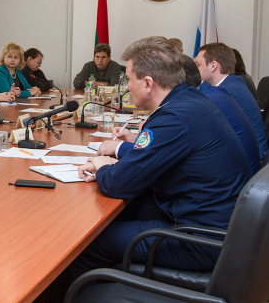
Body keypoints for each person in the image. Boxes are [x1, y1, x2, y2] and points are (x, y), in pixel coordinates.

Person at [48, 36, 251, 302]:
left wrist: (102, 165)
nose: (126, 86)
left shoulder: (173, 117)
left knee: (83, 244)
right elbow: (152, 159)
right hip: (203, 218)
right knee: (104, 219)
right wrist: (120, 163)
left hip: (197, 238)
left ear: (147, 83)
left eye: (129, 79)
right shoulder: (189, 100)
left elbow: (119, 183)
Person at [182, 55, 259, 173]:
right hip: (244, 169)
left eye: (198, 64)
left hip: (241, 173)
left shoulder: (203, 101)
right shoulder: (215, 91)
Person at [194, 42, 268, 163]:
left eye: (198, 65)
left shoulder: (226, 92)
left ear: (213, 65)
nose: (196, 70)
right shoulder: (232, 83)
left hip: (250, 159)